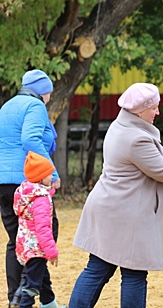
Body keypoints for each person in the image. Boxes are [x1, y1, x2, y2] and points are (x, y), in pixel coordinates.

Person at [68, 83, 163, 308]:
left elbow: (147, 159)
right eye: (154, 107)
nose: (158, 112)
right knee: (133, 274)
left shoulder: (122, 126)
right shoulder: (137, 138)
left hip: (112, 209)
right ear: (140, 110)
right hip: (124, 215)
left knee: (97, 270)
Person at [0, 69, 61, 308]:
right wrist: (51, 173)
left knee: (17, 241)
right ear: (44, 91)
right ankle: (24, 296)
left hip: (3, 183)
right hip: (26, 181)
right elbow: (31, 140)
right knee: (46, 233)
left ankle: (33, 299)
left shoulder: (7, 106)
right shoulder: (35, 106)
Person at [14, 152, 66, 308]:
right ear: (40, 177)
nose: (52, 177)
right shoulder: (40, 199)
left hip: (26, 245)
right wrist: (51, 251)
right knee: (32, 285)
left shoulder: (26, 193)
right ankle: (25, 305)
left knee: (42, 278)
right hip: (36, 248)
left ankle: (49, 304)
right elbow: (42, 228)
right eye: (49, 174)